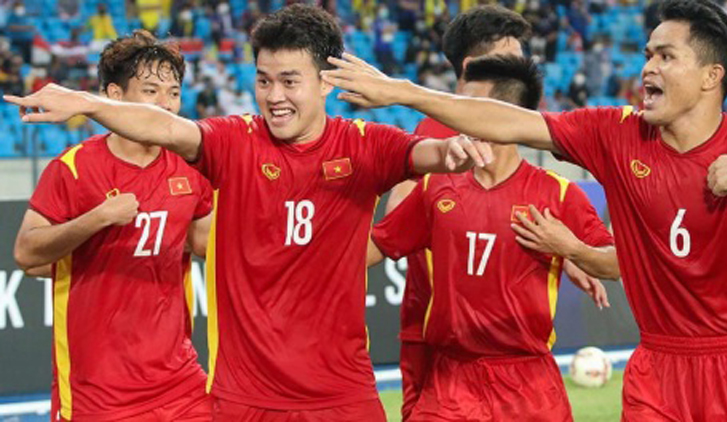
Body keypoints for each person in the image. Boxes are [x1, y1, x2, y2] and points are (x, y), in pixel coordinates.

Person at [4, 5, 493, 421]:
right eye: (263, 80)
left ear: (325, 82)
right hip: (231, 396)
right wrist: (85, 106)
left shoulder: (366, 145)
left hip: (333, 392)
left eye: (288, 81)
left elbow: (432, 151)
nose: (274, 96)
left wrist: (452, 148)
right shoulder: (230, 141)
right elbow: (169, 130)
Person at [321, 0, 727, 419]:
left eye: (666, 57)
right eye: (648, 54)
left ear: (711, 76)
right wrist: (404, 92)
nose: (648, 68)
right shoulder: (617, 134)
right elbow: (513, 121)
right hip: (658, 365)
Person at [369, 54, 617, 421]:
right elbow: (371, 248)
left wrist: (570, 249)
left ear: (504, 114)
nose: (455, 118)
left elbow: (616, 265)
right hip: (450, 382)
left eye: (467, 107)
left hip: (529, 386)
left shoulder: (559, 195)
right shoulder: (436, 188)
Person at [13, 30, 213, 422]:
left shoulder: (192, 170)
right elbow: (26, 253)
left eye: (173, 92)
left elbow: (209, 244)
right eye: (152, 91)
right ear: (114, 96)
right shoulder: (72, 168)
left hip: (180, 383)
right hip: (97, 394)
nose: (166, 105)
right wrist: (97, 218)